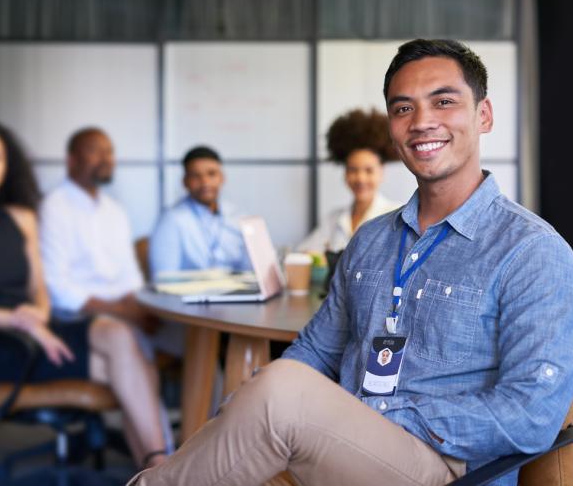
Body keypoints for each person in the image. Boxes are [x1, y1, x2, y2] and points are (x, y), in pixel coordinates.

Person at [127, 39, 573, 486]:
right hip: (348, 448)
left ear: (484, 115)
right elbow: (314, 351)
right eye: (403, 109)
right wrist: (236, 416)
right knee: (271, 392)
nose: (421, 122)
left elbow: (530, 414)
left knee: (284, 396)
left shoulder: (532, 250)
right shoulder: (371, 240)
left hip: (449, 467)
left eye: (443, 101)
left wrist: (374, 412)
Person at [0, 121, 168, 470]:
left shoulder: (21, 217)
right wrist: (21, 321)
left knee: (120, 338)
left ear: (7, 168)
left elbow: (41, 290)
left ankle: (158, 468)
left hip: (43, 332)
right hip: (4, 342)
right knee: (132, 369)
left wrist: (39, 319)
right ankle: (162, 470)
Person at [38, 127, 178, 453]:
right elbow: (58, 288)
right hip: (78, 315)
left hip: (123, 311)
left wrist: (139, 309)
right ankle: (163, 461)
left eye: (110, 151)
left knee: (197, 338)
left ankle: (204, 448)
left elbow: (129, 276)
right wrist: (126, 313)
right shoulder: (54, 207)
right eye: (96, 151)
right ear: (71, 160)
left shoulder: (113, 210)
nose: (107, 159)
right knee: (133, 346)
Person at [297, 109, 400, 254]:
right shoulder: (334, 219)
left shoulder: (397, 217)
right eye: (353, 170)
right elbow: (304, 253)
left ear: (381, 172)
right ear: (345, 173)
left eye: (368, 170)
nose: (360, 178)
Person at [148, 146, 251, 279]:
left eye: (211, 174)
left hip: (238, 295)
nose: (205, 182)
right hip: (189, 298)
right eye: (196, 176)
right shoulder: (171, 220)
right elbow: (163, 278)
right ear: (185, 182)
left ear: (222, 178)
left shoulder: (239, 217)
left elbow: (251, 271)